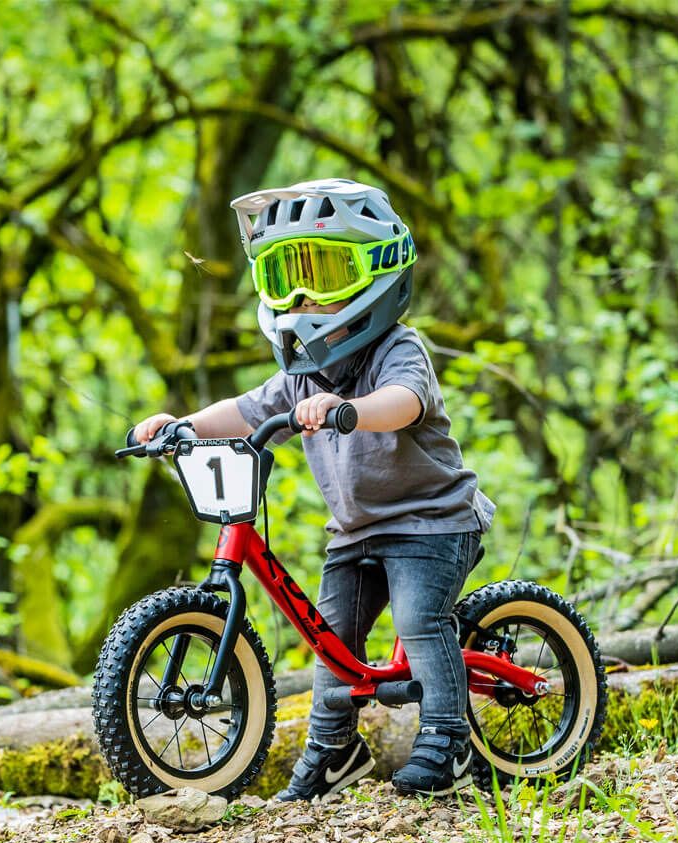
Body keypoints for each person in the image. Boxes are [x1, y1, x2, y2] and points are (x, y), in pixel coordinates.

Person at [132, 178, 495, 800]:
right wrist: (181, 425)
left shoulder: (396, 348)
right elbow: (245, 410)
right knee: (329, 637)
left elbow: (405, 402)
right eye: (286, 278)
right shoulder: (302, 374)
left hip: (433, 523)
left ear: (375, 271)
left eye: (323, 275)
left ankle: (447, 738)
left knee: (418, 619)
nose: (303, 297)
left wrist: (348, 410)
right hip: (355, 533)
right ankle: (333, 751)